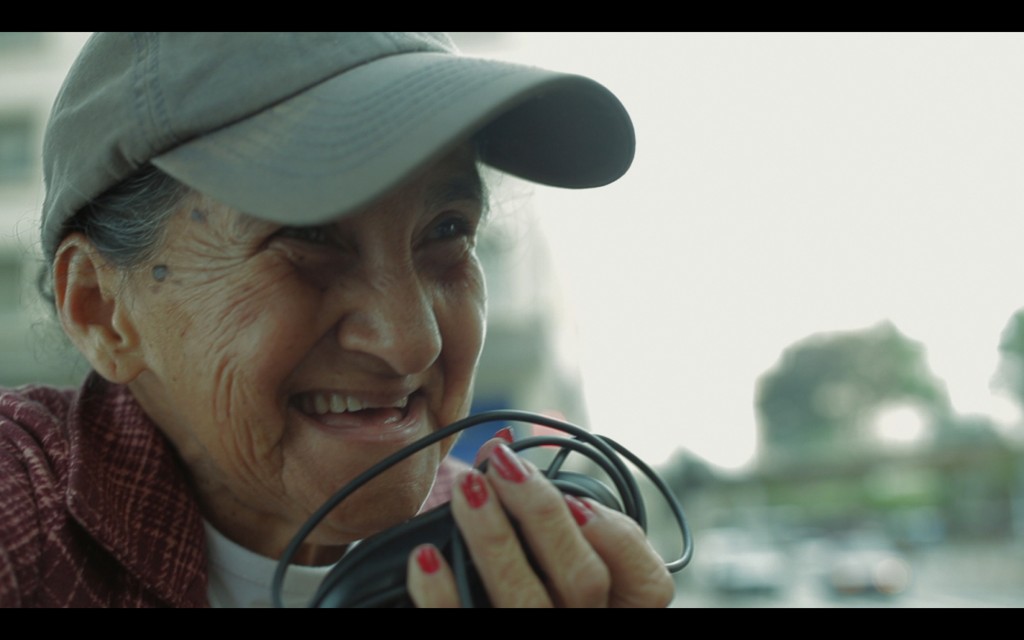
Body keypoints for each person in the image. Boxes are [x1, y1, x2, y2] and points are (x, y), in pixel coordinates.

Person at [0, 32, 674, 608]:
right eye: (310, 239)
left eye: (447, 230)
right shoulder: (19, 518)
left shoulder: (506, 550)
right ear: (102, 311)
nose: (413, 341)